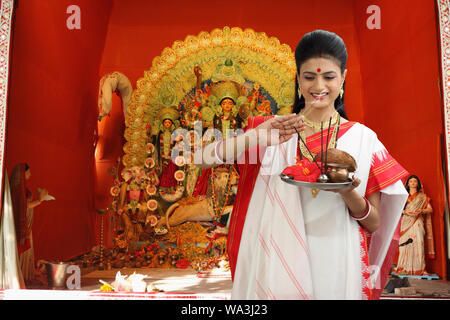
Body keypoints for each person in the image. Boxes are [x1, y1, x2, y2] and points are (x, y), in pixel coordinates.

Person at [198, 30, 409, 300]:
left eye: (329, 77)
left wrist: (346, 191)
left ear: (343, 79)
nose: (318, 86)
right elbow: (203, 159)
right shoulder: (273, 130)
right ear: (298, 80)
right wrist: (255, 136)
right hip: (276, 259)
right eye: (309, 77)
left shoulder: (364, 139)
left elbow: (374, 222)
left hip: (335, 262)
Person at [10, 163, 48, 284]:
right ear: (22, 174)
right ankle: (21, 276)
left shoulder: (23, 189)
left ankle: (26, 275)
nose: (30, 175)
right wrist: (40, 200)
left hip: (28, 224)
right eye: (28, 172)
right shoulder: (16, 190)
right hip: (21, 226)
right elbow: (25, 206)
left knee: (28, 251)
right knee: (22, 250)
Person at [396, 175, 434, 275]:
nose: (413, 183)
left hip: (417, 221)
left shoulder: (423, 197)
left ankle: (421, 269)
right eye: (411, 181)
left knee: (418, 243)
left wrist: (421, 210)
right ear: (407, 184)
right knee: (405, 245)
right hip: (405, 222)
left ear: (418, 184)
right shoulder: (403, 196)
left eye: (415, 181)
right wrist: (405, 212)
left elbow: (430, 209)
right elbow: (397, 209)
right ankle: (403, 268)